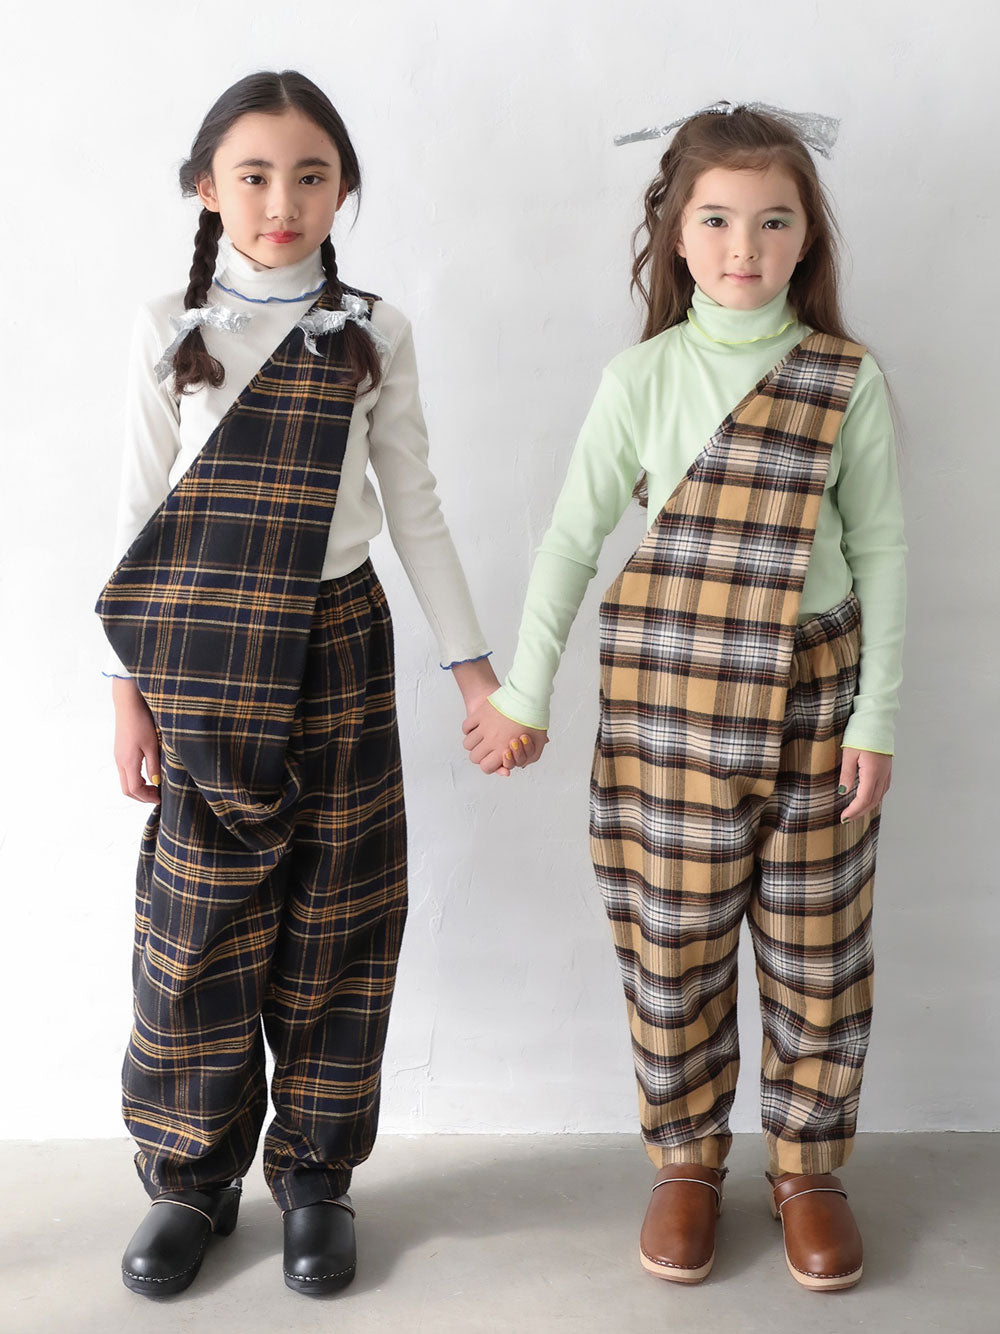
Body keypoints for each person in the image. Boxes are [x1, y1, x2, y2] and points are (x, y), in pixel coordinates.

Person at [463, 101, 906, 1292]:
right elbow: (570, 537)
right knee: (675, 942)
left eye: (772, 220)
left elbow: (883, 549)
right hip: (669, 701)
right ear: (673, 232)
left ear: (808, 236)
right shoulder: (642, 376)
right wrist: (524, 687)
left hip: (817, 699)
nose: (742, 246)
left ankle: (807, 1165)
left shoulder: (845, 379)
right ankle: (687, 1157)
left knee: (817, 945)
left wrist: (876, 714)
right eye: (714, 219)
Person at [97, 68, 502, 1299]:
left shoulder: (371, 332)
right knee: (198, 928)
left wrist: (475, 673)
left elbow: (414, 504)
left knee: (340, 911)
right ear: (205, 187)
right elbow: (137, 516)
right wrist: (124, 690)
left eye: (311, 176)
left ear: (343, 190)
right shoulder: (169, 325)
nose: (282, 202)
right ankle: (190, 1178)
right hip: (203, 657)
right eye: (255, 175)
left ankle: (317, 1176)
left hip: (337, 643)